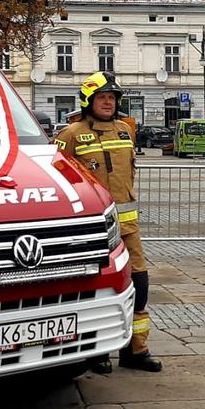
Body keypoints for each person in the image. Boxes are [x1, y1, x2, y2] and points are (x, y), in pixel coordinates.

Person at [54, 71, 161, 373]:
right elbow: (59, 180)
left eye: (112, 98)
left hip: (127, 227)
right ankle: (95, 351)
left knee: (139, 283)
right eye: (102, 97)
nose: (107, 102)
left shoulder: (126, 130)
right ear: (89, 100)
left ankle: (136, 350)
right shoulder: (70, 135)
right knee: (96, 288)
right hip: (92, 230)